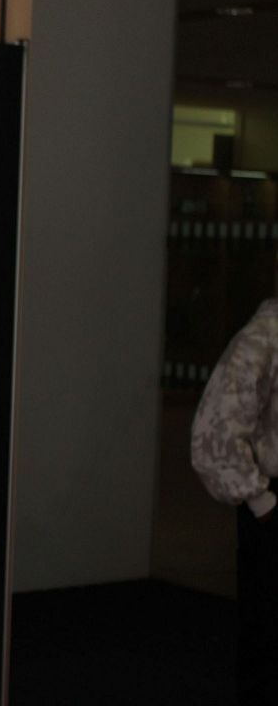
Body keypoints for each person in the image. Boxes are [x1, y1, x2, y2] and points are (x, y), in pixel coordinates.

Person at [191, 297, 278, 706]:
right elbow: (216, 432)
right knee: (268, 637)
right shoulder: (264, 336)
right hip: (270, 502)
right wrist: (262, 503)